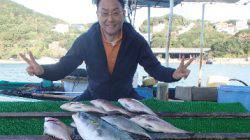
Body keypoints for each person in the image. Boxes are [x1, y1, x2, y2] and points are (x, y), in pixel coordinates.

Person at [20, 0, 194, 101]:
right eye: (104, 13)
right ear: (97, 14)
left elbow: (155, 69)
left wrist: (174, 74)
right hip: (93, 97)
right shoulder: (85, 41)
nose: (110, 19)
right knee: (64, 118)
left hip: (126, 99)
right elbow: (63, 68)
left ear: (123, 14)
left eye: (115, 13)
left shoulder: (136, 41)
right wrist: (41, 70)